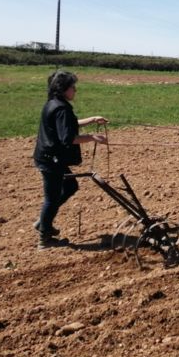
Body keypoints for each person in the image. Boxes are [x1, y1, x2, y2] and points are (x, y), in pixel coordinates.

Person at [32, 70, 109, 249]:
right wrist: (92, 137)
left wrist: (93, 119)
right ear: (63, 89)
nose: (75, 90)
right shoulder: (61, 108)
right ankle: (45, 237)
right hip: (51, 161)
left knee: (71, 186)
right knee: (51, 199)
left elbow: (68, 125)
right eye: (72, 87)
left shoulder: (54, 103)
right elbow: (68, 138)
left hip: (49, 158)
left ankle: (45, 220)